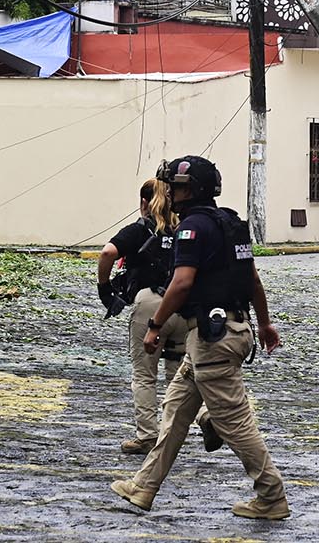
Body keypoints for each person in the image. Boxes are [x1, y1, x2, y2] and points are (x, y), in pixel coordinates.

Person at [110, 155, 289, 521]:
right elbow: (252, 281)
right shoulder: (231, 224)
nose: (169, 192)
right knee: (175, 411)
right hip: (227, 332)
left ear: (189, 190)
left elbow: (182, 283)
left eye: (174, 186)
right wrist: (265, 324)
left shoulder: (191, 228)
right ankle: (144, 486)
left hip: (213, 339)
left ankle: (271, 495)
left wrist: (156, 325)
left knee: (235, 422)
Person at [97, 177, 212, 454]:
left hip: (150, 304)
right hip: (183, 306)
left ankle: (148, 436)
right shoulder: (187, 229)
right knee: (181, 376)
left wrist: (104, 287)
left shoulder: (141, 230)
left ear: (144, 202)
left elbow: (107, 252)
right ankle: (204, 416)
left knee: (145, 374)